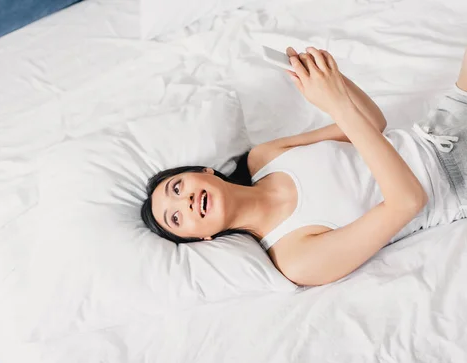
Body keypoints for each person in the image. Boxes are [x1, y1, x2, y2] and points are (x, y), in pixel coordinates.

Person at [141, 46, 467, 286]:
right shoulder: (295, 259)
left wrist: (330, 80)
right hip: (456, 184)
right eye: (176, 217)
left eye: (177, 187)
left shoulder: (263, 158)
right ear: (203, 239)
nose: (183, 201)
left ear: (203, 172)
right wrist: (336, 103)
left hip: (437, 127)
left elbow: (371, 122)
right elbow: (408, 201)